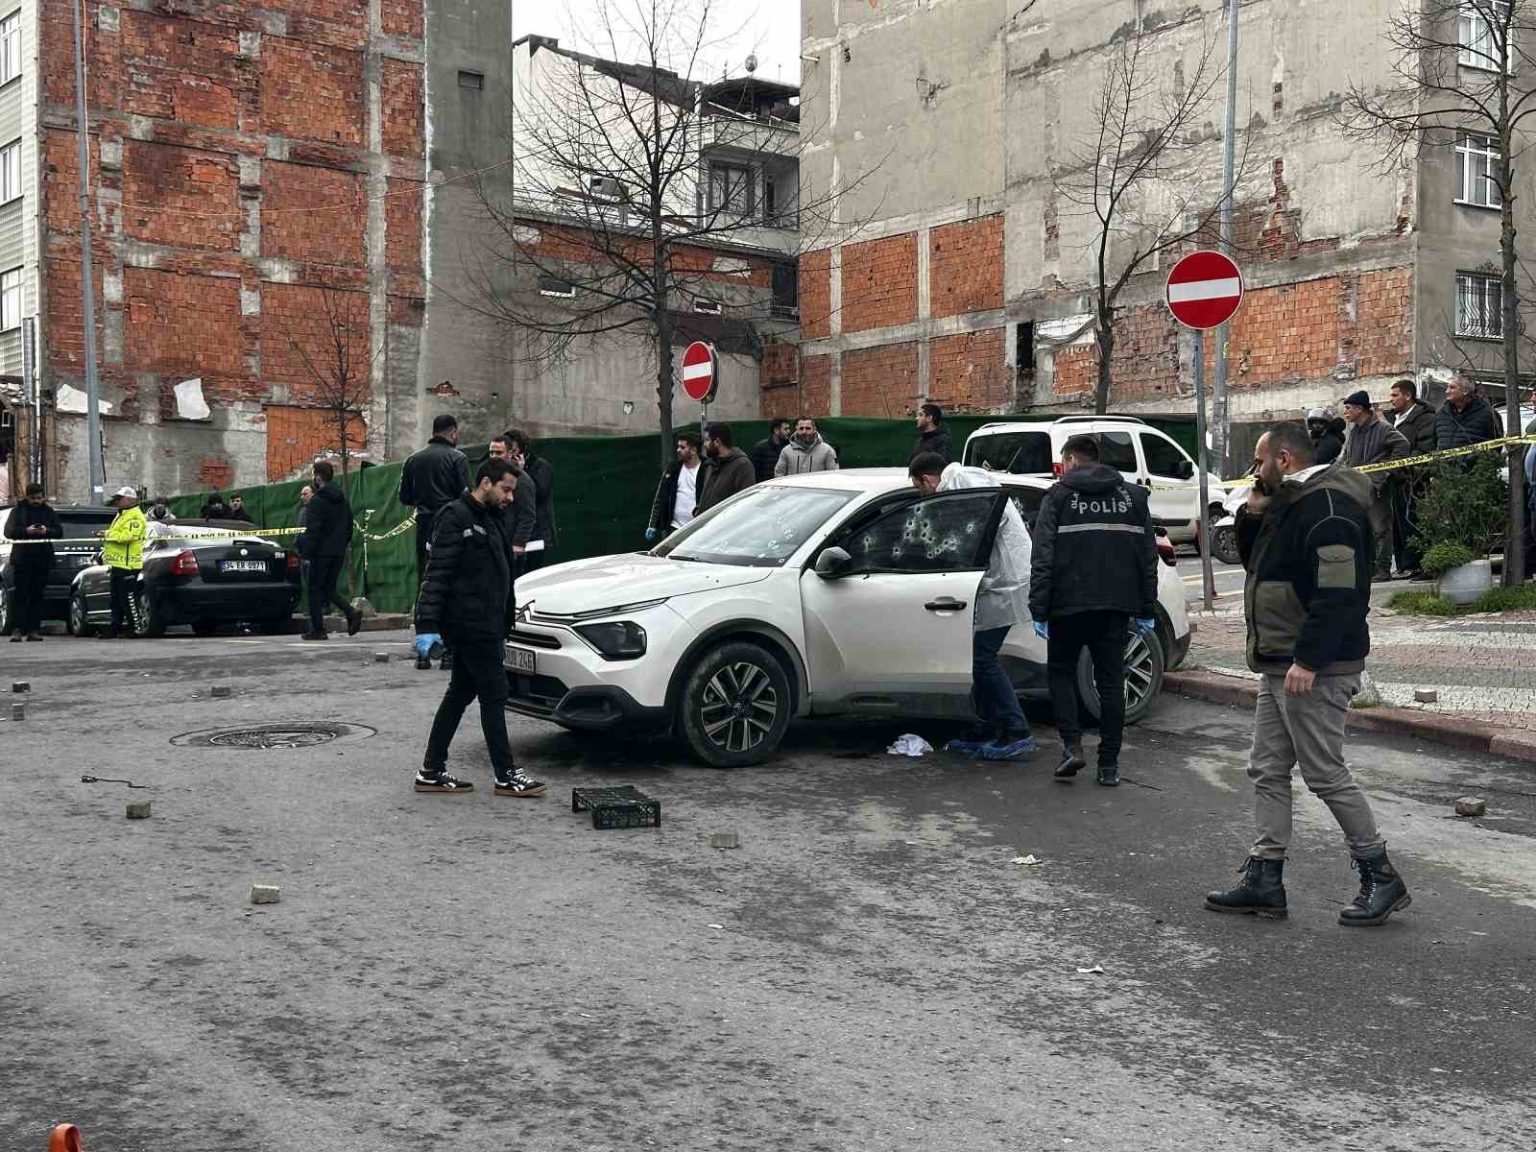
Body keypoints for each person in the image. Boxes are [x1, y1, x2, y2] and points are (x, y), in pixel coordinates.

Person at [1203, 421, 1409, 927]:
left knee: (1324, 774)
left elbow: (1341, 594)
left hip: (1314, 667)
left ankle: (1381, 876)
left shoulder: (1329, 508)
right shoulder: (1290, 501)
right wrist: (1253, 512)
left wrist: (1310, 660)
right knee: (1266, 769)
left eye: (1259, 460)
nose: (1254, 469)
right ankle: (1265, 878)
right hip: (1279, 661)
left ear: (1284, 459)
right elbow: (1257, 566)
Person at [412, 458, 546, 798]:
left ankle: (431, 771)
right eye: (506, 489)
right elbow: (437, 572)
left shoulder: (492, 518)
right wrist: (426, 623)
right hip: (469, 624)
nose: (510, 497)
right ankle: (506, 775)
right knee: (494, 693)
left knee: (459, 693)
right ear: (485, 483)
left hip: (488, 623)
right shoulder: (455, 517)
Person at [1029, 435, 1157, 787]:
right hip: (1115, 607)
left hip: (1067, 605)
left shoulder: (1058, 497)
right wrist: (1146, 606)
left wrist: (1038, 608)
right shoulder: (1133, 498)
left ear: (1071, 460)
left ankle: (1072, 747)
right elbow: (1147, 557)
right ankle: (1109, 765)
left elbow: (1042, 557)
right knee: (1111, 681)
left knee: (1061, 673)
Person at [909, 452, 1035, 760]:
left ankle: (1016, 731)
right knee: (978, 657)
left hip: (1005, 582)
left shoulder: (962, 482)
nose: (922, 496)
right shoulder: (963, 479)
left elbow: (980, 528)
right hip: (997, 581)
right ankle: (990, 727)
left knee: (982, 658)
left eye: (919, 489)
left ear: (927, 479)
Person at [1340, 390, 1409, 582]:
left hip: (1377, 486)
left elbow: (1403, 445)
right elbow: (1346, 456)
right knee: (1365, 530)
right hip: (1358, 486)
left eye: (1348, 408)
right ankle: (1370, 569)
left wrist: (1388, 470)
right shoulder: (1354, 431)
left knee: (1380, 528)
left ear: (1359, 409)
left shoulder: (1383, 428)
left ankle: (1383, 569)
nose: (1345, 412)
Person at [400, 414, 471, 589]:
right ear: (453, 432)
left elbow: (405, 497)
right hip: (451, 524)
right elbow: (467, 496)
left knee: (426, 574)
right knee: (452, 573)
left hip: (424, 525)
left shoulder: (412, 459)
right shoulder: (458, 458)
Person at [296, 461, 362, 640]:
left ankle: (318, 630)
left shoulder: (317, 501)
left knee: (314, 590)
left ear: (318, 477)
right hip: (338, 551)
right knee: (328, 589)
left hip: (320, 553)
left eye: (314, 475)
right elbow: (349, 525)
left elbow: (313, 531)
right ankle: (351, 613)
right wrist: (341, 544)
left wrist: (306, 553)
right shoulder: (342, 499)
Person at [1386, 378, 1436, 579]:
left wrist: (1407, 467)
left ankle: (1416, 565)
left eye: (1395, 395)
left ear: (1408, 396)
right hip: (1394, 479)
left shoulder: (1424, 419)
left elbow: (1424, 447)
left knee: (1412, 522)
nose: (1391, 399)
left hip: (1414, 479)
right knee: (1397, 525)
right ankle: (1402, 565)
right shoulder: (1391, 419)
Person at [4, 483, 62, 641]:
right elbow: (9, 531)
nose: (36, 501)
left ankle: (33, 629)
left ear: (43, 497)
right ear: (27, 497)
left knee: (37, 596)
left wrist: (46, 531)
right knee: (20, 595)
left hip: (42, 559)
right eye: (33, 498)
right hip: (22, 559)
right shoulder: (18, 511)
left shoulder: (48, 512)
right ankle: (17, 629)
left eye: (39, 497)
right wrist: (26, 531)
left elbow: (59, 532)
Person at [506, 429, 557, 571]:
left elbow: (540, 494)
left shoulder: (541, 466)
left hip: (537, 535)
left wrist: (522, 472)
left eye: (513, 451)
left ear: (523, 451)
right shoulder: (507, 469)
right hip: (517, 532)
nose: (510, 455)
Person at [100, 486, 147, 639]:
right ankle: (115, 628)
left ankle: (136, 628)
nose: (117, 502)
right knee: (115, 600)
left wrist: (107, 534)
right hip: (118, 564)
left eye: (119, 499)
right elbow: (119, 534)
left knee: (128, 599)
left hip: (129, 565)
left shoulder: (135, 517)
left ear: (130, 500)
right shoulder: (121, 514)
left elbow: (127, 537)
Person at [488, 435, 537, 571]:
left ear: (510, 454)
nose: (494, 457)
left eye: (499, 453)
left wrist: (518, 545)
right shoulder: (490, 476)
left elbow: (528, 516)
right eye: (491, 453)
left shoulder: (522, 481)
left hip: (510, 547)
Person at [646, 431, 704, 541]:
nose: (678, 450)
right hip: (675, 528)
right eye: (678, 446)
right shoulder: (673, 469)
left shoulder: (707, 470)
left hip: (699, 529)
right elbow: (660, 497)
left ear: (693, 450)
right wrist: (653, 524)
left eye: (682, 447)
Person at [696, 423, 757, 514]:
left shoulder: (742, 465)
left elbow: (745, 501)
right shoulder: (711, 464)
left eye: (707, 440)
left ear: (717, 442)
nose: (704, 444)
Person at [1432, 370, 1500, 450]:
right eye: (1447, 387)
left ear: (1465, 391)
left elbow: (1496, 446)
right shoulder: (1441, 415)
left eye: (1452, 387)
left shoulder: (1487, 414)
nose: (1447, 391)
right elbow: (1433, 443)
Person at [775, 417, 840, 475]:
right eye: (801, 428)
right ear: (796, 430)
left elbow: (834, 475)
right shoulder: (786, 451)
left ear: (814, 429)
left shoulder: (827, 451)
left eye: (808, 428)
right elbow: (779, 475)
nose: (804, 432)